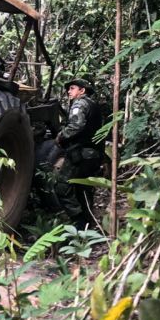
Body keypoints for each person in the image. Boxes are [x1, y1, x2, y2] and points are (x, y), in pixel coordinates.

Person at [55, 78, 104, 227]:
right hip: (94, 154)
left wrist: (61, 136)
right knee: (84, 188)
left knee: (62, 186)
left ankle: (79, 221)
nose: (69, 91)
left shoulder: (80, 103)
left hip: (81, 153)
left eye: (72, 88)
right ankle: (90, 223)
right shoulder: (94, 105)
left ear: (82, 91)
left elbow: (76, 125)